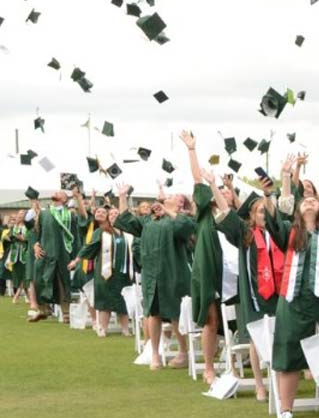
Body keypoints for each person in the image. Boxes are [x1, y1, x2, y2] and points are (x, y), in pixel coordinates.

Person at [267, 156, 319, 418]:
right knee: (289, 352)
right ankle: (286, 410)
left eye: (314, 200)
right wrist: (285, 178)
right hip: (293, 300)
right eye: (304, 200)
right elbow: (277, 218)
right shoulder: (289, 231)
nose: (309, 201)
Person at [215, 183, 282, 401]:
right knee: (256, 340)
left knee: (282, 337)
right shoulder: (246, 235)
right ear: (252, 216)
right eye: (261, 211)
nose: (265, 215)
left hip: (279, 295)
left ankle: (281, 382)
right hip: (256, 295)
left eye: (267, 211)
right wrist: (212, 185)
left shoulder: (280, 233)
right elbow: (226, 213)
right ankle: (259, 385)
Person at [116, 188, 196, 370]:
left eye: (172, 196)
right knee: (153, 313)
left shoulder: (180, 219)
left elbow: (187, 228)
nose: (166, 197)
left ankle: (183, 352)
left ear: (180, 203)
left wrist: (167, 210)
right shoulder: (148, 221)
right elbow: (126, 221)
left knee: (176, 313)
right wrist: (122, 197)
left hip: (174, 273)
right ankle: (155, 354)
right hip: (151, 274)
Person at [180, 131, 232, 385]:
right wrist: (192, 149)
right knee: (211, 320)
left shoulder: (238, 221)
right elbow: (198, 181)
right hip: (210, 274)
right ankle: (209, 368)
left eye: (229, 192)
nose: (226, 194)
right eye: (221, 192)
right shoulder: (204, 215)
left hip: (235, 280)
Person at [72, 203, 133, 337]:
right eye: (111, 214)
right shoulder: (101, 232)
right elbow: (89, 247)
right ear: (108, 218)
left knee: (123, 302)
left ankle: (125, 329)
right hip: (105, 273)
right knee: (105, 301)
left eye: (117, 214)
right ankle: (103, 328)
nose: (114, 216)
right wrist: (77, 260)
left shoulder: (128, 234)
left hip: (124, 273)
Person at [30, 190, 83, 323]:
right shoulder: (44, 214)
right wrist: (35, 245)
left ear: (65, 199)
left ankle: (66, 313)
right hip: (45, 252)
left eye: (60, 193)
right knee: (40, 279)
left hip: (63, 253)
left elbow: (76, 236)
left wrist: (75, 257)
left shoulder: (70, 215)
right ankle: (43, 310)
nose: (55, 193)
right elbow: (37, 232)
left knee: (62, 282)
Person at [6, 211, 30, 304]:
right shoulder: (13, 227)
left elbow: (29, 238)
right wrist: (9, 237)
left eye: (21, 215)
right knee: (17, 276)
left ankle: (17, 295)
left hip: (25, 253)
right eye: (18, 215)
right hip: (15, 254)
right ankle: (28, 296)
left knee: (25, 275)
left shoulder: (27, 227)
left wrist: (22, 238)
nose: (19, 217)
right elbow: (10, 238)